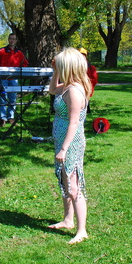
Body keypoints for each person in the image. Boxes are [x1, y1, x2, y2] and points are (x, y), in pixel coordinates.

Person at [47, 47, 94, 244]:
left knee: (74, 186)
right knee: (65, 182)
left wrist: (64, 149)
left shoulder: (74, 91)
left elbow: (74, 123)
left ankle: (82, 230)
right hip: (62, 141)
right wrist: (55, 72)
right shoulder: (67, 85)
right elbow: (52, 90)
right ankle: (68, 220)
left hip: (71, 144)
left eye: (61, 65)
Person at [0, 33, 29, 126]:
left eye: (14, 39)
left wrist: (19, 70)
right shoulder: (2, 51)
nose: (12, 40)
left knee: (13, 98)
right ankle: (3, 118)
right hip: (3, 78)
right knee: (3, 98)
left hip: (14, 79)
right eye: (10, 38)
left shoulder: (19, 53)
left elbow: (25, 63)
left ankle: (11, 117)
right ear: (8, 39)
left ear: (16, 41)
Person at [78, 47, 98, 114]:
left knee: (85, 98)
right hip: (79, 86)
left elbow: (94, 78)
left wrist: (90, 85)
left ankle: (86, 109)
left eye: (83, 55)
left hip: (87, 86)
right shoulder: (74, 66)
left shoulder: (91, 67)